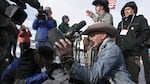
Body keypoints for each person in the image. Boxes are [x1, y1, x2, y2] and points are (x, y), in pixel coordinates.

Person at [54, 23, 135, 84]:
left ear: (103, 35)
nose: (90, 39)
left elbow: (92, 77)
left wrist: (69, 60)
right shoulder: (101, 49)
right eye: (89, 36)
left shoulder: (110, 49)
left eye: (93, 35)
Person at [116, 1, 150, 83]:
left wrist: (136, 43)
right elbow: (117, 37)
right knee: (122, 77)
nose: (126, 11)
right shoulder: (121, 23)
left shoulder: (140, 20)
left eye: (128, 9)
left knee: (132, 77)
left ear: (133, 10)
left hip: (134, 55)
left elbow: (145, 33)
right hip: (122, 54)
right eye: (125, 10)